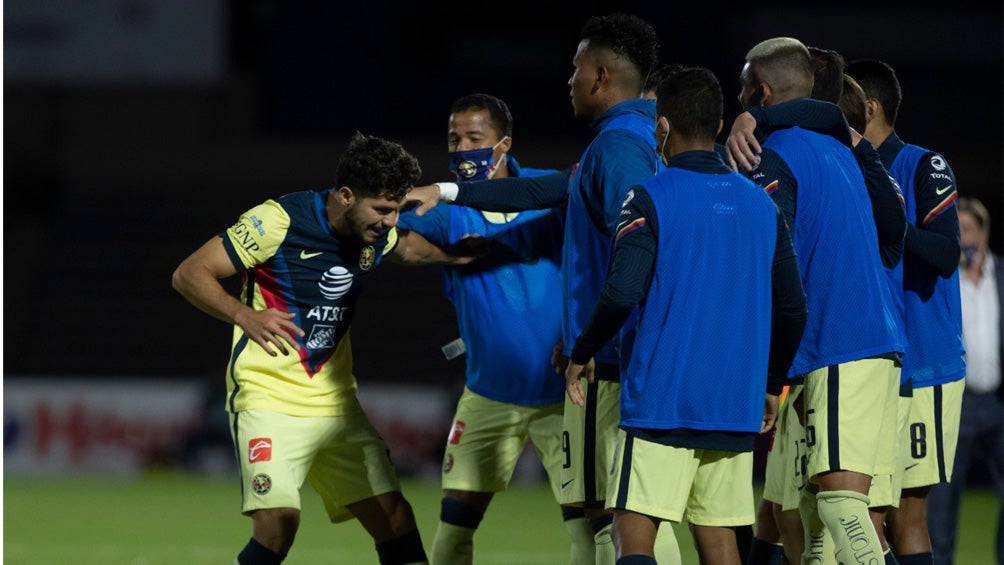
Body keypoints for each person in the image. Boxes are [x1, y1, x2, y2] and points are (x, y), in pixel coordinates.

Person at [406, 13, 681, 565]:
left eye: (576, 69)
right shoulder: (610, 149)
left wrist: (589, 339)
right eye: (454, 139)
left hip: (598, 370)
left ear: (601, 76)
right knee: (626, 515)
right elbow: (542, 193)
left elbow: (638, 255)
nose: (569, 80)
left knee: (621, 518)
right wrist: (446, 191)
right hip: (525, 383)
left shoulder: (621, 150)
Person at [171, 132, 479, 565]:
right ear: (347, 195)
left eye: (396, 210)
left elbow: (408, 248)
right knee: (278, 523)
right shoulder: (278, 221)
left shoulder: (373, 233)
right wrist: (245, 316)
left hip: (336, 405)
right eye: (383, 209)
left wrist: (457, 256)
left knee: (395, 517)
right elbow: (190, 273)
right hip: (269, 398)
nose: (391, 221)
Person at [564, 66, 807, 565]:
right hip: (734, 403)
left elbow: (620, 292)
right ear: (719, 127)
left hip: (662, 398)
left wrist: (582, 351)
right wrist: (771, 384)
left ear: (662, 127)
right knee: (719, 543)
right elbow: (792, 306)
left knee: (632, 534)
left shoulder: (650, 196)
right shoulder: (762, 206)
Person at [395, 93, 593, 565]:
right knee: (455, 525)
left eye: (474, 139)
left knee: (588, 527)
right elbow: (400, 244)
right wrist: (453, 255)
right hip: (487, 394)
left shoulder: (549, 192)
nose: (463, 149)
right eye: (454, 139)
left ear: (503, 144)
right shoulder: (447, 208)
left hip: (563, 396)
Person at [736, 37, 904, 565]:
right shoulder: (842, 151)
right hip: (870, 347)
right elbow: (894, 232)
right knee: (809, 528)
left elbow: (773, 267)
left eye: (743, 90)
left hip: (837, 346)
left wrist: (765, 373)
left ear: (760, 91)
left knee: (839, 506)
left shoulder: (778, 154)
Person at [846, 58, 966, 565]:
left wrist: (892, 226)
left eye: (845, 103)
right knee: (862, 512)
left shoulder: (922, 164)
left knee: (904, 514)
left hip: (926, 366)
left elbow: (944, 254)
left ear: (869, 107)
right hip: (875, 368)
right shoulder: (847, 171)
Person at [927, 196, 1003, 565]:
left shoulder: (1001, 275)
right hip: (956, 401)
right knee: (942, 497)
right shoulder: (944, 278)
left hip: (999, 402)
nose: (963, 239)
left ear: (985, 232)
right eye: (957, 232)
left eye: (969, 230)